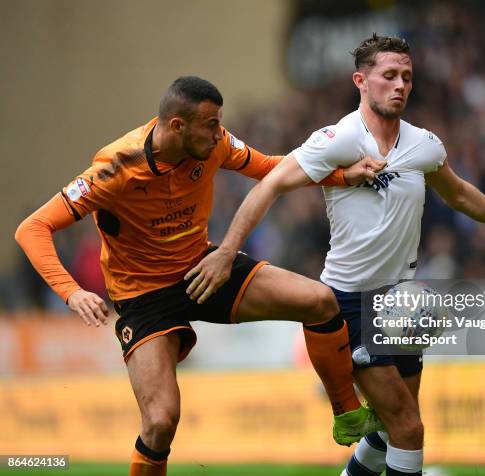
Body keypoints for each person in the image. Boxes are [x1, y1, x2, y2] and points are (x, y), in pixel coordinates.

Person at [186, 35, 485, 476]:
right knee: (409, 429)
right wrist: (226, 252)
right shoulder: (338, 140)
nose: (400, 86)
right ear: (361, 81)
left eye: (406, 77)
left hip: (401, 302)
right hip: (350, 302)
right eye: (389, 75)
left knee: (394, 430)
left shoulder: (424, 144)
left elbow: (461, 194)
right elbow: (271, 183)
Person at [14, 76, 387, 476]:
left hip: (202, 268)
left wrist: (341, 176)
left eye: (218, 123)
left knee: (320, 301)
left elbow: (270, 169)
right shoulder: (117, 168)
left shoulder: (216, 143)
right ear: (178, 126)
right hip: (143, 297)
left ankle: (347, 412)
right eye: (210, 124)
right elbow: (32, 228)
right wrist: (71, 292)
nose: (219, 133)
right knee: (160, 423)